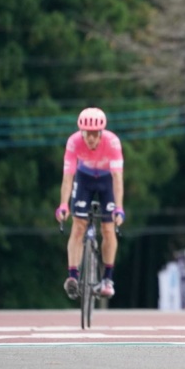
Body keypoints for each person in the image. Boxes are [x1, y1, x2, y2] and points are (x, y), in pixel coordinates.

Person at [54, 108, 125, 299]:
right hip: (84, 179)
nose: (91, 138)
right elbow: (68, 176)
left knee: (108, 229)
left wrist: (119, 208)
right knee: (78, 227)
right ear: (81, 132)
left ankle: (107, 279)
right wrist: (63, 205)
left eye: (95, 134)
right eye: (87, 133)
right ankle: (73, 277)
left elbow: (118, 177)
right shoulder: (73, 142)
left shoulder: (112, 142)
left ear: (101, 132)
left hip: (106, 180)